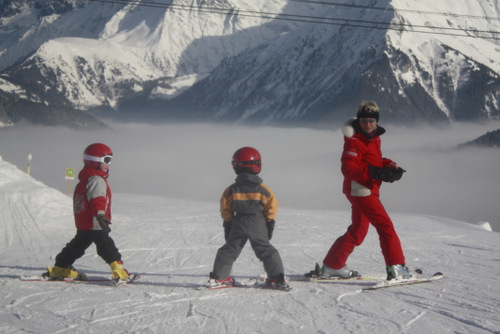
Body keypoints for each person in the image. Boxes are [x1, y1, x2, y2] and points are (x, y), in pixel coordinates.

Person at [318, 101, 410, 281]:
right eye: (364, 120)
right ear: (358, 121)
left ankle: (332, 265)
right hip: (361, 191)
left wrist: (389, 166)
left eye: (371, 120)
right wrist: (377, 172)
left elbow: (372, 160)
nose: (368, 124)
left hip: (368, 189)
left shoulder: (374, 137)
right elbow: (349, 169)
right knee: (386, 227)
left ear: (377, 122)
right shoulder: (354, 141)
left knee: (358, 232)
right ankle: (396, 268)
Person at [45, 143, 130, 283]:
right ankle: (118, 270)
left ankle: (61, 267)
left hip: (84, 222)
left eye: (110, 160)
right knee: (106, 246)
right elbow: (98, 199)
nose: (109, 164)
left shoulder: (85, 180)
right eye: (106, 160)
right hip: (95, 221)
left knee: (77, 246)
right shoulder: (97, 180)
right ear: (94, 161)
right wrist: (101, 215)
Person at [206, 146, 288, 288]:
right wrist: (269, 222)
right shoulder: (264, 189)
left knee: (230, 250)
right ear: (257, 166)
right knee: (265, 249)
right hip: (258, 222)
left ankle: (219, 278)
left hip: (238, 221)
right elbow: (272, 205)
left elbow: (225, 207)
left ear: (236, 166)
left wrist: (228, 223)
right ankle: (276, 277)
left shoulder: (231, 189)